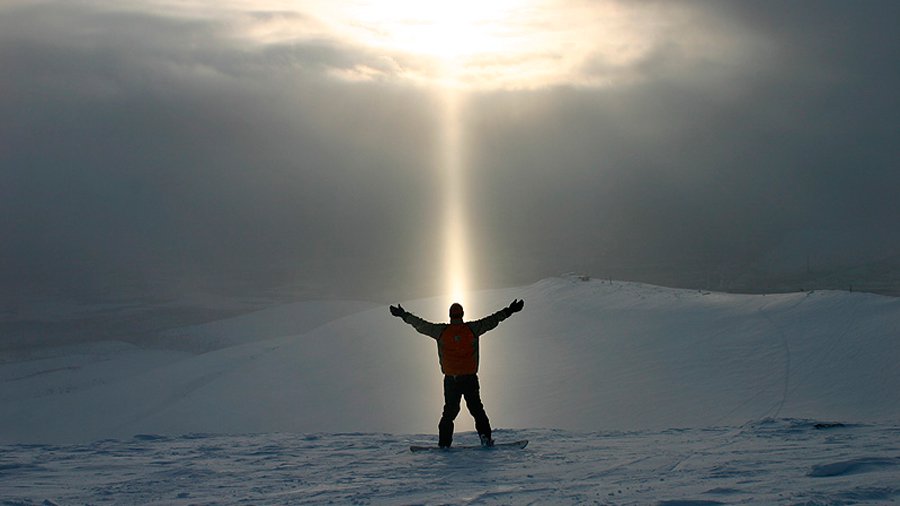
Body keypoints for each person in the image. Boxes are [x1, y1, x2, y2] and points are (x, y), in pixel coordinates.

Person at [390, 299, 525, 448]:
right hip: (470, 379)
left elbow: (420, 324)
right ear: (462, 314)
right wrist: (510, 310)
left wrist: (403, 315)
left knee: (449, 412)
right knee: (477, 410)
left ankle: (444, 443)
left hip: (451, 380)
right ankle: (485, 439)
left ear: (450, 315)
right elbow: (493, 320)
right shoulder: (473, 329)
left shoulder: (441, 332)